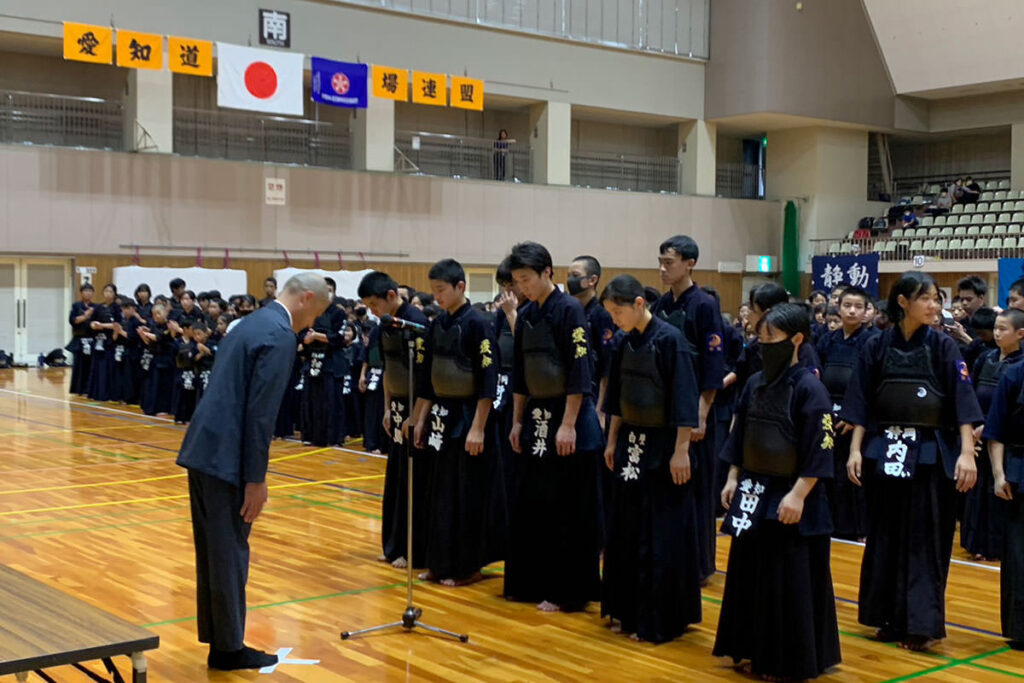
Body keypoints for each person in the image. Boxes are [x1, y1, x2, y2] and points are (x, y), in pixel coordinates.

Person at [175, 273, 329, 671]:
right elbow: (261, 415)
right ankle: (228, 650)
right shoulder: (280, 334)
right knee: (229, 553)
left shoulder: (252, 323)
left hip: (204, 448)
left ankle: (222, 642)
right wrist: (256, 480)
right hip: (227, 456)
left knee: (214, 553)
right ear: (306, 298)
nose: (314, 322)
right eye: (318, 311)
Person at [842, 271, 982, 652]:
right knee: (885, 536)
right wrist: (855, 449)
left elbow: (963, 402)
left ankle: (921, 625)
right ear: (903, 301)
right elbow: (861, 402)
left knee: (925, 540)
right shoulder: (875, 345)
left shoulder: (943, 346)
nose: (935, 306)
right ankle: (886, 617)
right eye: (927, 298)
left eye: (937, 299)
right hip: (883, 450)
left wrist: (967, 453)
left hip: (930, 454)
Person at [714, 303, 841, 680]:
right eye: (758, 336)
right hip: (754, 491)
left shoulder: (810, 389)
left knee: (788, 581)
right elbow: (742, 436)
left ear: (797, 340)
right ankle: (749, 646)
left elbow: (821, 449)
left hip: (792, 496)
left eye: (769, 338)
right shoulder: (754, 384)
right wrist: (733, 477)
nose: (761, 344)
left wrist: (799, 495)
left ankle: (787, 659)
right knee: (749, 573)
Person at [599, 275, 701, 643]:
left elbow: (685, 402)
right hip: (630, 442)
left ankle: (659, 617)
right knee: (625, 529)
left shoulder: (671, 341)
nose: (614, 320)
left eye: (618, 311)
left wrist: (680, 451)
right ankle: (625, 609)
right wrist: (612, 441)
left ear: (639, 304)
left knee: (658, 532)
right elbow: (617, 400)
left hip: (663, 446)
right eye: (609, 313)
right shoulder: (624, 343)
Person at [504, 241, 602, 612]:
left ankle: (568, 591)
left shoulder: (570, 311)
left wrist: (569, 424)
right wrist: (516, 422)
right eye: (516, 281)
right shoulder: (527, 314)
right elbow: (520, 375)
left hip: (568, 418)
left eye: (526, 279)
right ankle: (532, 582)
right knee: (535, 505)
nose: (522, 287)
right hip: (534, 419)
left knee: (568, 509)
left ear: (547, 273)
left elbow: (580, 372)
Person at [412, 258, 505, 587]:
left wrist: (478, 427)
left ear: (460, 287)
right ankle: (439, 562)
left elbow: (487, 380)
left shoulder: (478, 324)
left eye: (441, 290)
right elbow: (426, 379)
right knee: (440, 493)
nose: (436, 296)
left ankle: (468, 566)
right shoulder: (437, 324)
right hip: (441, 416)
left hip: (469, 416)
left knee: (467, 494)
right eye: (433, 290)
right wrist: (419, 420)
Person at [651, 235, 725, 583]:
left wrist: (702, 412)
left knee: (696, 488)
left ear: (690, 263)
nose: (664, 268)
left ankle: (699, 565)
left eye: (670, 262)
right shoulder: (662, 304)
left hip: (694, 412)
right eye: (661, 262)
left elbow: (713, 366)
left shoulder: (704, 305)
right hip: (666, 411)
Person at [358, 271, 431, 569]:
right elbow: (389, 368)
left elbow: (427, 376)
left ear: (391, 295)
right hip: (398, 405)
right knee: (397, 477)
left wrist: (416, 416)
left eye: (375, 304)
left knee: (415, 481)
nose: (373, 312)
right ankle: (394, 544)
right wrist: (388, 409)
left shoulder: (415, 322)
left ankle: (412, 549)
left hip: (417, 409)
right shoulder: (384, 325)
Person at [816, 286, 878, 541]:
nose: (852, 310)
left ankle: (859, 528)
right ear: (838, 308)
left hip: (856, 419)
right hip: (828, 415)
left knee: (854, 473)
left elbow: (871, 385)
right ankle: (832, 523)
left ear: (866, 313)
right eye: (847, 305)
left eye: (858, 306)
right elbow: (816, 376)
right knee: (829, 471)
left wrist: (854, 416)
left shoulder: (872, 342)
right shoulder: (826, 340)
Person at [962, 309, 1024, 561]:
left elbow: (1009, 410)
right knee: (978, 492)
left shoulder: (1019, 366)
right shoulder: (985, 358)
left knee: (997, 491)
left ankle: (996, 545)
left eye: (1003, 329)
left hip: (1003, 437)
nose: (997, 333)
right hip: (977, 434)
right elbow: (970, 393)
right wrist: (973, 426)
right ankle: (976, 542)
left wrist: (988, 426)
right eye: (996, 328)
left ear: (1020, 334)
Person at [984, 316, 1024, 649]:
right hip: (1019, 472)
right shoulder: (1014, 375)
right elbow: (995, 431)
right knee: (1018, 554)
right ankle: (1020, 629)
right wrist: (999, 474)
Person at [300, 278, 345, 447]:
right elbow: (302, 334)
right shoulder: (311, 311)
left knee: (331, 402)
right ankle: (313, 436)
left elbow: (339, 337)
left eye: (330, 289)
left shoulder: (338, 313)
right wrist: (307, 339)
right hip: (312, 361)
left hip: (332, 363)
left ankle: (333, 438)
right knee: (312, 401)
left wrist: (317, 336)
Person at [139, 301, 176, 417]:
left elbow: (160, 338)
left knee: (163, 385)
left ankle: (163, 408)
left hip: (166, 359)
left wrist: (146, 334)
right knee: (152, 383)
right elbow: (148, 342)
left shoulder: (169, 326)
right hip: (154, 357)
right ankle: (150, 407)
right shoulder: (152, 325)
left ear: (165, 313)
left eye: (159, 313)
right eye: (154, 314)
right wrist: (143, 335)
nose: (156, 316)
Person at [87, 283, 123, 402]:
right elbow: (91, 322)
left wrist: (102, 325)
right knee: (96, 366)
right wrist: (94, 325)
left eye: (111, 291)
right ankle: (95, 392)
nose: (108, 293)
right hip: (98, 340)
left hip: (110, 341)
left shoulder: (117, 308)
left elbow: (117, 324)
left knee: (108, 367)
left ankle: (108, 394)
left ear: (114, 294)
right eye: (106, 291)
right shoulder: (99, 307)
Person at [359, 321, 387, 454]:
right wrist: (362, 375)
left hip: (387, 376)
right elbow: (366, 355)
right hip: (372, 375)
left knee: (383, 410)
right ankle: (370, 442)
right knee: (370, 410)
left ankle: (382, 444)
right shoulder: (375, 332)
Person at [67, 283, 96, 395]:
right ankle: (78, 388)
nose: (88, 293)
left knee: (90, 365)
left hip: (91, 339)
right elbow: (73, 321)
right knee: (79, 365)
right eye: (85, 291)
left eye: (90, 291)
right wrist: (85, 316)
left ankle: (89, 389)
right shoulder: (76, 306)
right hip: (79, 339)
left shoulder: (95, 307)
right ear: (81, 293)